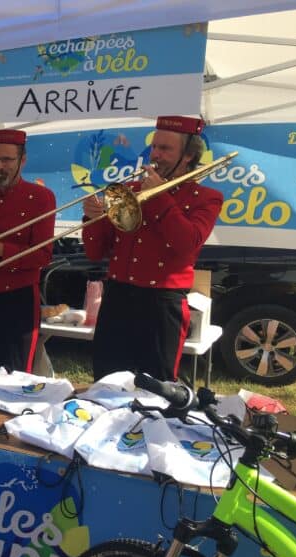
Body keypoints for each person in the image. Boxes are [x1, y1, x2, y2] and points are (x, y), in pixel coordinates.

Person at [82, 115, 223, 382]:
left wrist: (160, 197)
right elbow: (95, 252)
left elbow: (186, 244)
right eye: (154, 147)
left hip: (161, 304)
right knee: (106, 383)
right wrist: (92, 219)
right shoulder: (129, 190)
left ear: (189, 155)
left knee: (155, 390)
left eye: (165, 149)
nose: (155, 155)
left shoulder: (206, 198)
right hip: (118, 299)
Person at [0, 129, 55, 373]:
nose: (0, 166)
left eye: (7, 160)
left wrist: (0, 250)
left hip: (19, 300)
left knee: (18, 377)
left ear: (23, 160)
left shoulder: (41, 197)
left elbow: (43, 255)